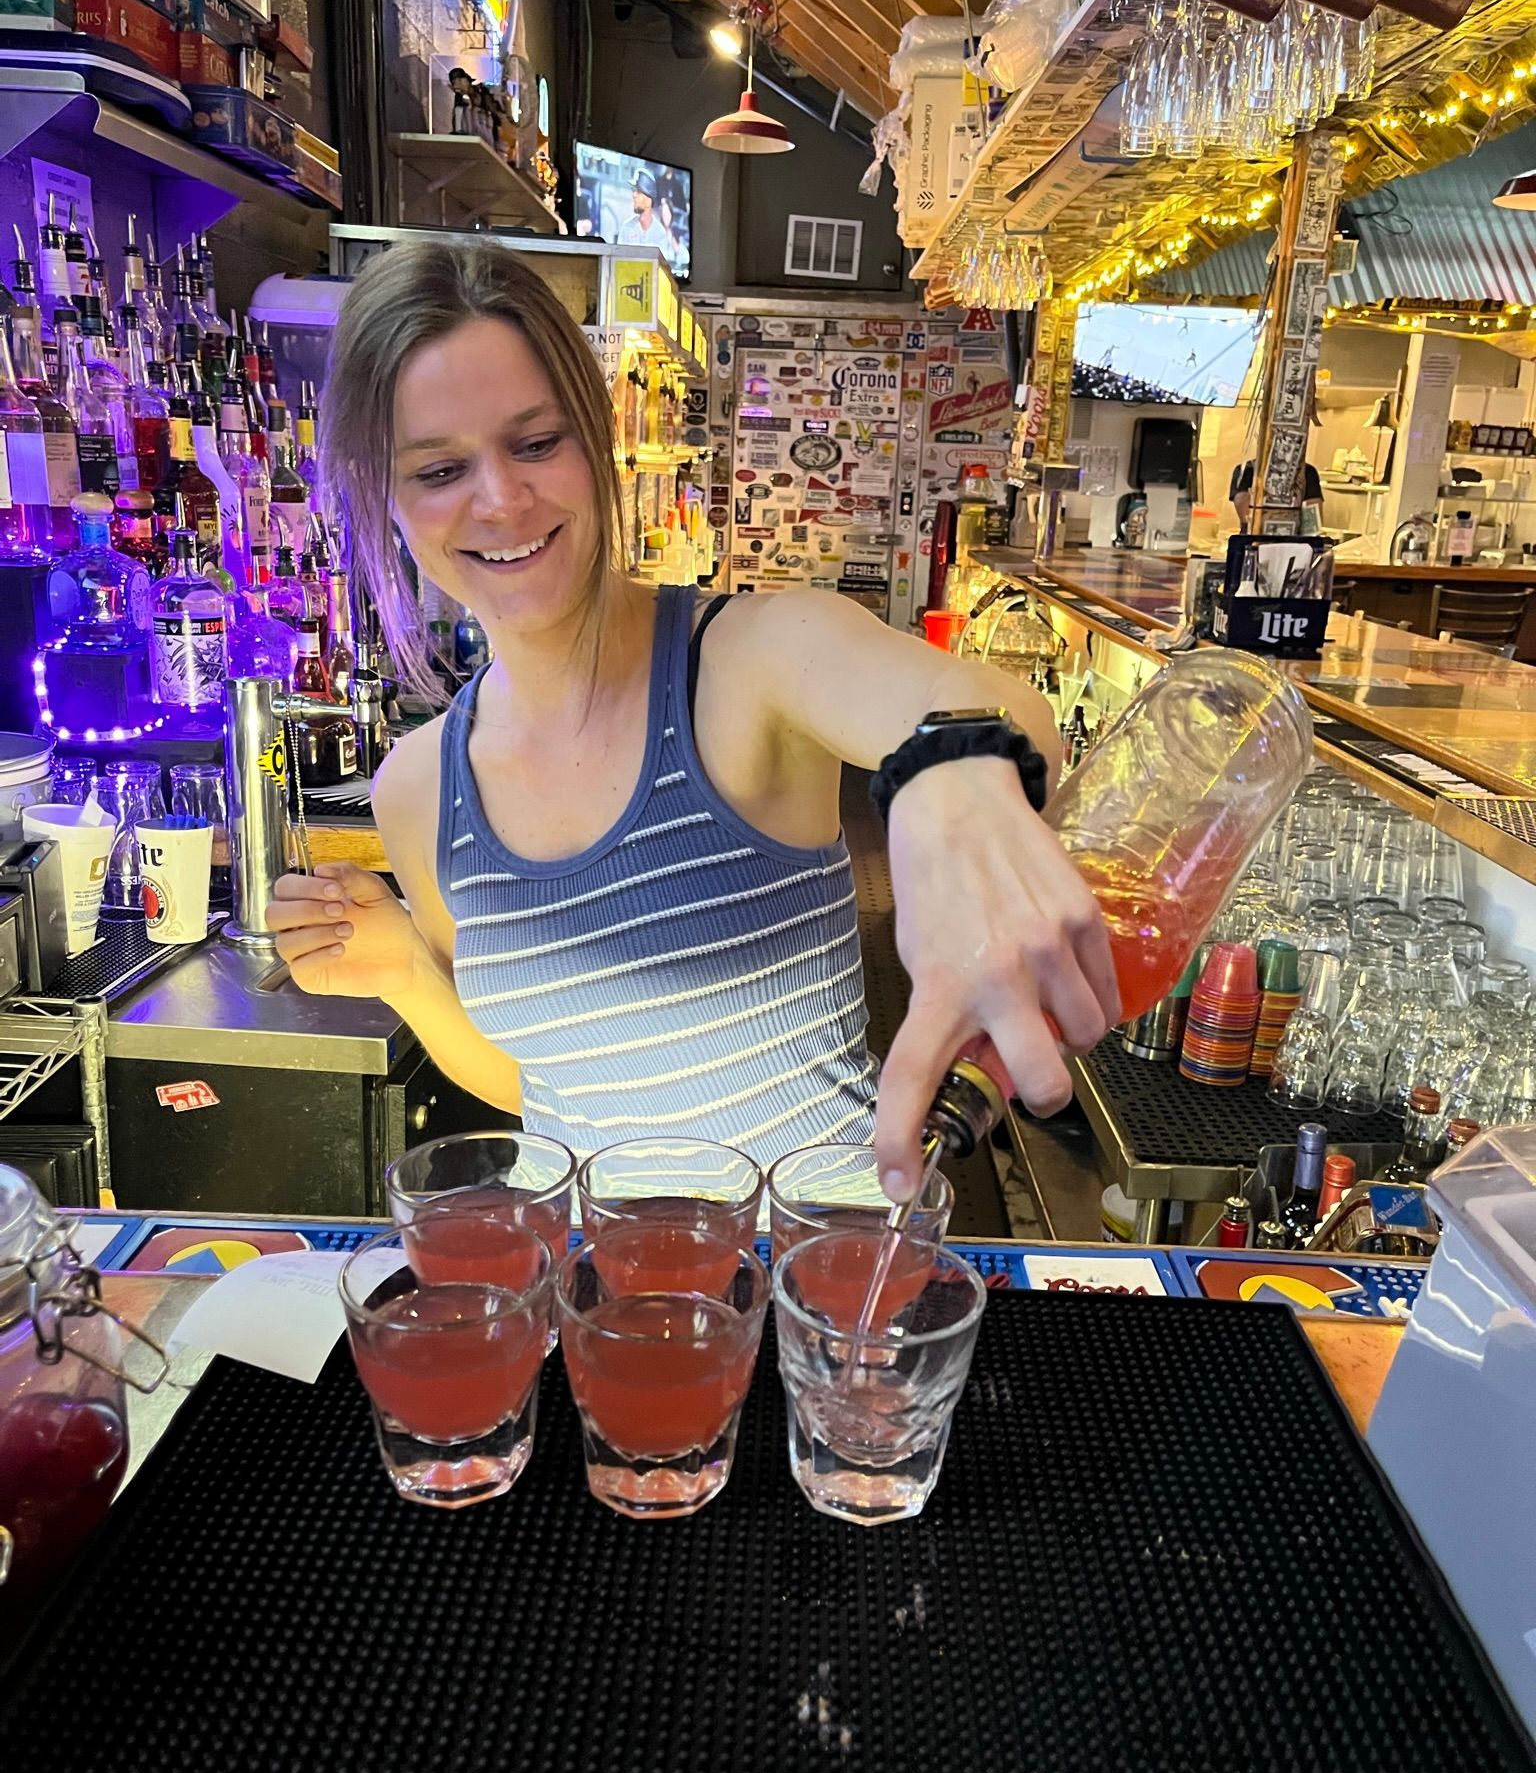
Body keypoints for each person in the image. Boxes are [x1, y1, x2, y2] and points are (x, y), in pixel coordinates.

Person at [265, 242, 1116, 1200]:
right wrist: (406, 979)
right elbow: (544, 1081)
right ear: (388, 499)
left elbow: (1011, 716)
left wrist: (954, 773)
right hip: (594, 1298)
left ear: (595, 440)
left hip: (807, 1280)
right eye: (439, 469)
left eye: (536, 443)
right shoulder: (417, 791)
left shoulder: (746, 658)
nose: (500, 499)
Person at [627, 168, 679, 262]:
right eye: (633, 190)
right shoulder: (627, 227)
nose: (633, 195)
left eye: (638, 191)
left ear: (649, 200)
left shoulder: (660, 233)